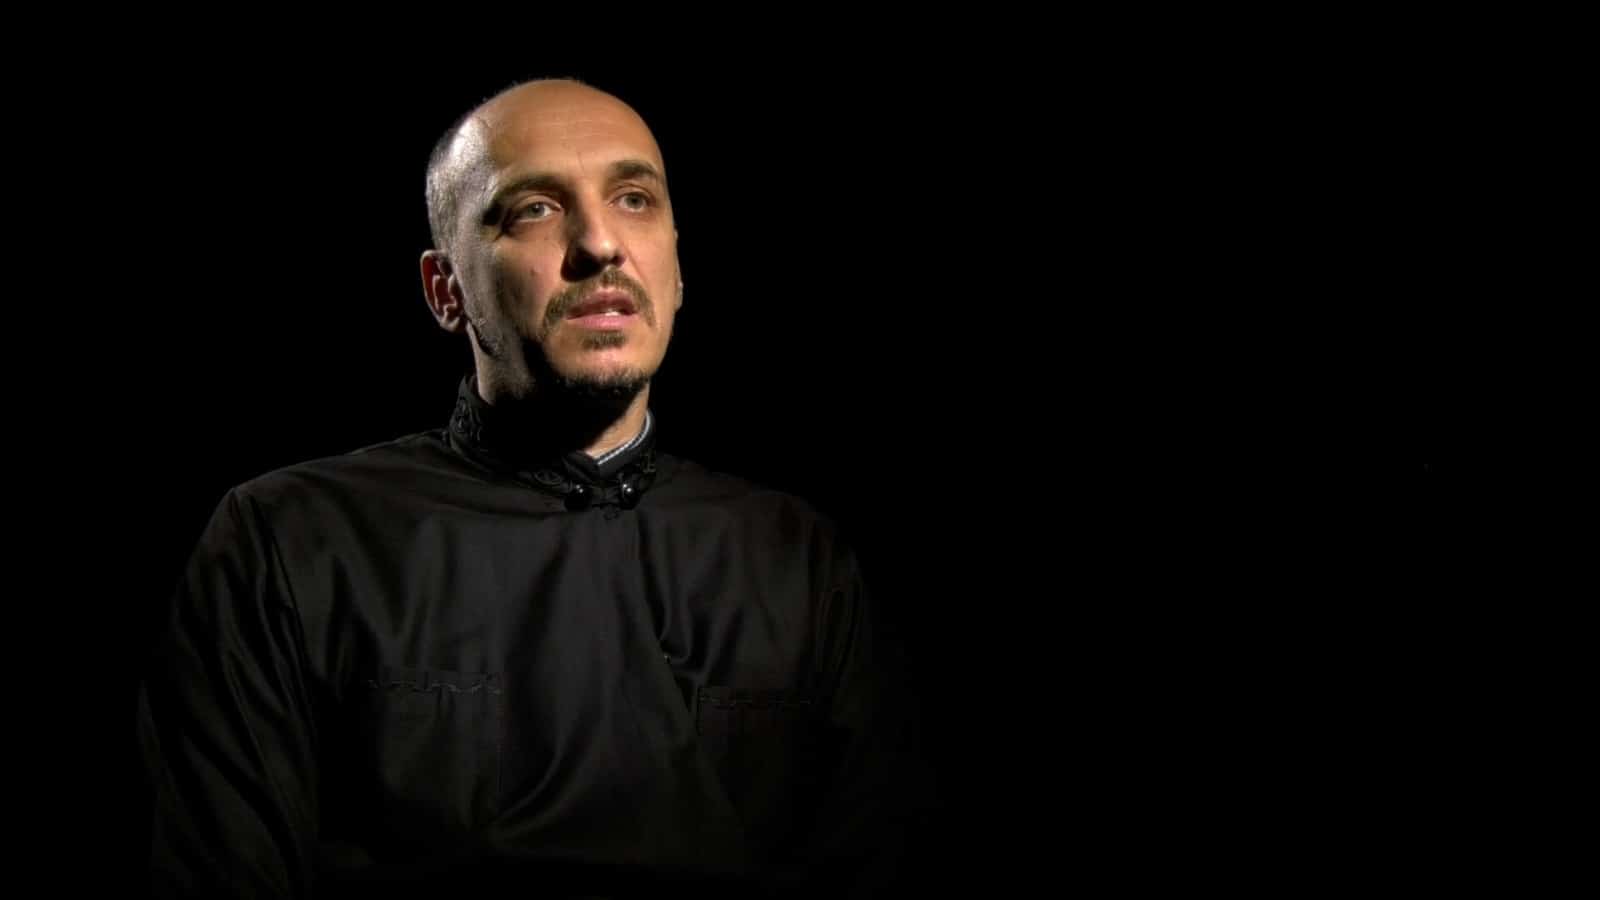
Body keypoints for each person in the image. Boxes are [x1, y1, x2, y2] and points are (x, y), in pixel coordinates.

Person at [136, 78, 928, 898]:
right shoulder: (289, 541)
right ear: (446, 291)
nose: (601, 244)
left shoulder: (799, 560)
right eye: (535, 210)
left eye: (634, 199)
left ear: (678, 269)